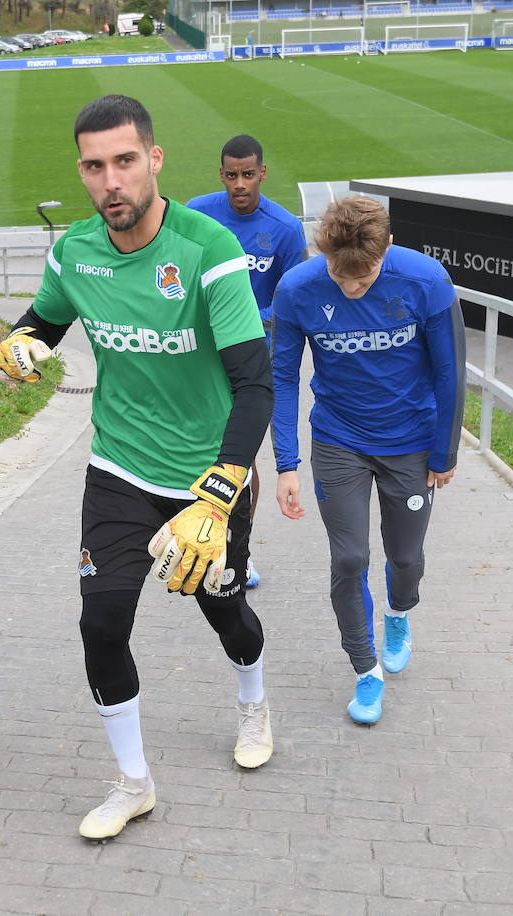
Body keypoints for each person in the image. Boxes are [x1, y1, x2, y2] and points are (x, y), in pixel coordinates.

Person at [0, 94, 275, 840]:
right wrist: (20, 344)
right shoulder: (74, 251)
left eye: (124, 161)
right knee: (102, 622)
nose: (110, 181)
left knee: (226, 613)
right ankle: (134, 782)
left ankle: (252, 700)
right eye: (93, 166)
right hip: (118, 468)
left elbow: (255, 384)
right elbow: (45, 320)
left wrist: (220, 493)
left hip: (207, 480)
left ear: (154, 160)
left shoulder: (208, 250)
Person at [270, 195, 464, 726]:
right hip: (339, 440)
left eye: (365, 276)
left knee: (405, 557)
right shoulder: (296, 290)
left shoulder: (426, 281)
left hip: (411, 441)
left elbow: (450, 371)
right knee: (350, 558)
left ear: (389, 248)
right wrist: (286, 463)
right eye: (340, 275)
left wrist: (444, 451)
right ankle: (365, 668)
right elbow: (282, 378)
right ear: (323, 255)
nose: (352, 287)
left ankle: (399, 613)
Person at [188, 134, 308, 590]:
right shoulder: (197, 213)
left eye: (249, 174)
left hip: (254, 357)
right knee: (202, 447)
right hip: (201, 353)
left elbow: (294, 296)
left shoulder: (285, 229)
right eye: (232, 175)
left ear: (263, 173)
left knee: (241, 454)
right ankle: (198, 536)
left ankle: (240, 550)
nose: (240, 184)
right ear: (221, 175)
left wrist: (244, 319)